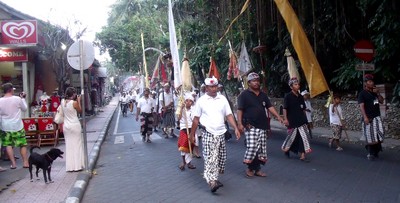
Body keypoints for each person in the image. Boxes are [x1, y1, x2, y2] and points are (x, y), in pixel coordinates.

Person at [189, 76, 240, 193]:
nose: (214, 88)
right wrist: (192, 134)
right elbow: (196, 119)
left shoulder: (222, 99)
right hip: (208, 133)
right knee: (210, 158)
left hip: (221, 133)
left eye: (215, 86)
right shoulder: (201, 101)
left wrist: (236, 128)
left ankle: (214, 177)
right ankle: (211, 181)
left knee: (220, 158)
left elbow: (229, 115)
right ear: (206, 88)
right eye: (211, 86)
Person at [237, 72, 284, 178]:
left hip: (262, 125)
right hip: (250, 125)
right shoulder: (244, 95)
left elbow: (269, 107)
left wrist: (279, 117)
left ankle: (257, 169)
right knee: (252, 147)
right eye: (254, 81)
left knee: (261, 149)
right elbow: (240, 110)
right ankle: (249, 168)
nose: (256, 83)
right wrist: (239, 123)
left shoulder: (263, 95)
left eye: (257, 80)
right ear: (249, 83)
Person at [281, 77, 312, 162]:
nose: (297, 85)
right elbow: (285, 109)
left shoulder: (301, 97)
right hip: (292, 121)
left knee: (303, 137)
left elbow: (303, 109)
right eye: (295, 84)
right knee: (293, 137)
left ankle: (302, 155)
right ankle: (287, 149)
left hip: (301, 120)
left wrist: (306, 120)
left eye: (298, 84)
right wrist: (285, 119)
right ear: (291, 86)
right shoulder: (288, 96)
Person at [0, 83, 29, 169]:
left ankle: (13, 163)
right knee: (22, 144)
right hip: (17, 125)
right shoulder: (17, 99)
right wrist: (23, 99)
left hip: (5, 126)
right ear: (10, 90)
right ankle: (25, 162)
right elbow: (24, 108)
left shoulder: (0, 100)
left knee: (8, 145)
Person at [358, 74, 384, 160]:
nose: (371, 83)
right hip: (369, 118)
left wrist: (378, 93)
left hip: (377, 117)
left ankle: (376, 151)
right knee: (370, 136)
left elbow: (381, 101)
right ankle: (370, 153)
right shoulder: (362, 94)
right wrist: (365, 117)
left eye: (372, 81)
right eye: (369, 81)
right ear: (365, 83)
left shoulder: (374, 93)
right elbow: (361, 106)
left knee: (378, 135)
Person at [62, 87, 84, 172]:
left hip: (66, 126)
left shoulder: (62, 102)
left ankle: (70, 167)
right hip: (74, 125)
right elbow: (80, 110)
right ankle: (77, 166)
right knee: (77, 145)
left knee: (69, 146)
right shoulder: (74, 103)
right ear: (73, 94)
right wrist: (79, 100)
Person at [177, 93, 196, 171]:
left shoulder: (193, 110)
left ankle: (189, 163)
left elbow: (195, 120)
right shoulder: (181, 109)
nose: (188, 102)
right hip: (184, 129)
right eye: (187, 101)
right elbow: (179, 118)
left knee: (190, 146)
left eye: (190, 101)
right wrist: (181, 109)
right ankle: (184, 162)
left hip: (191, 129)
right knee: (183, 145)